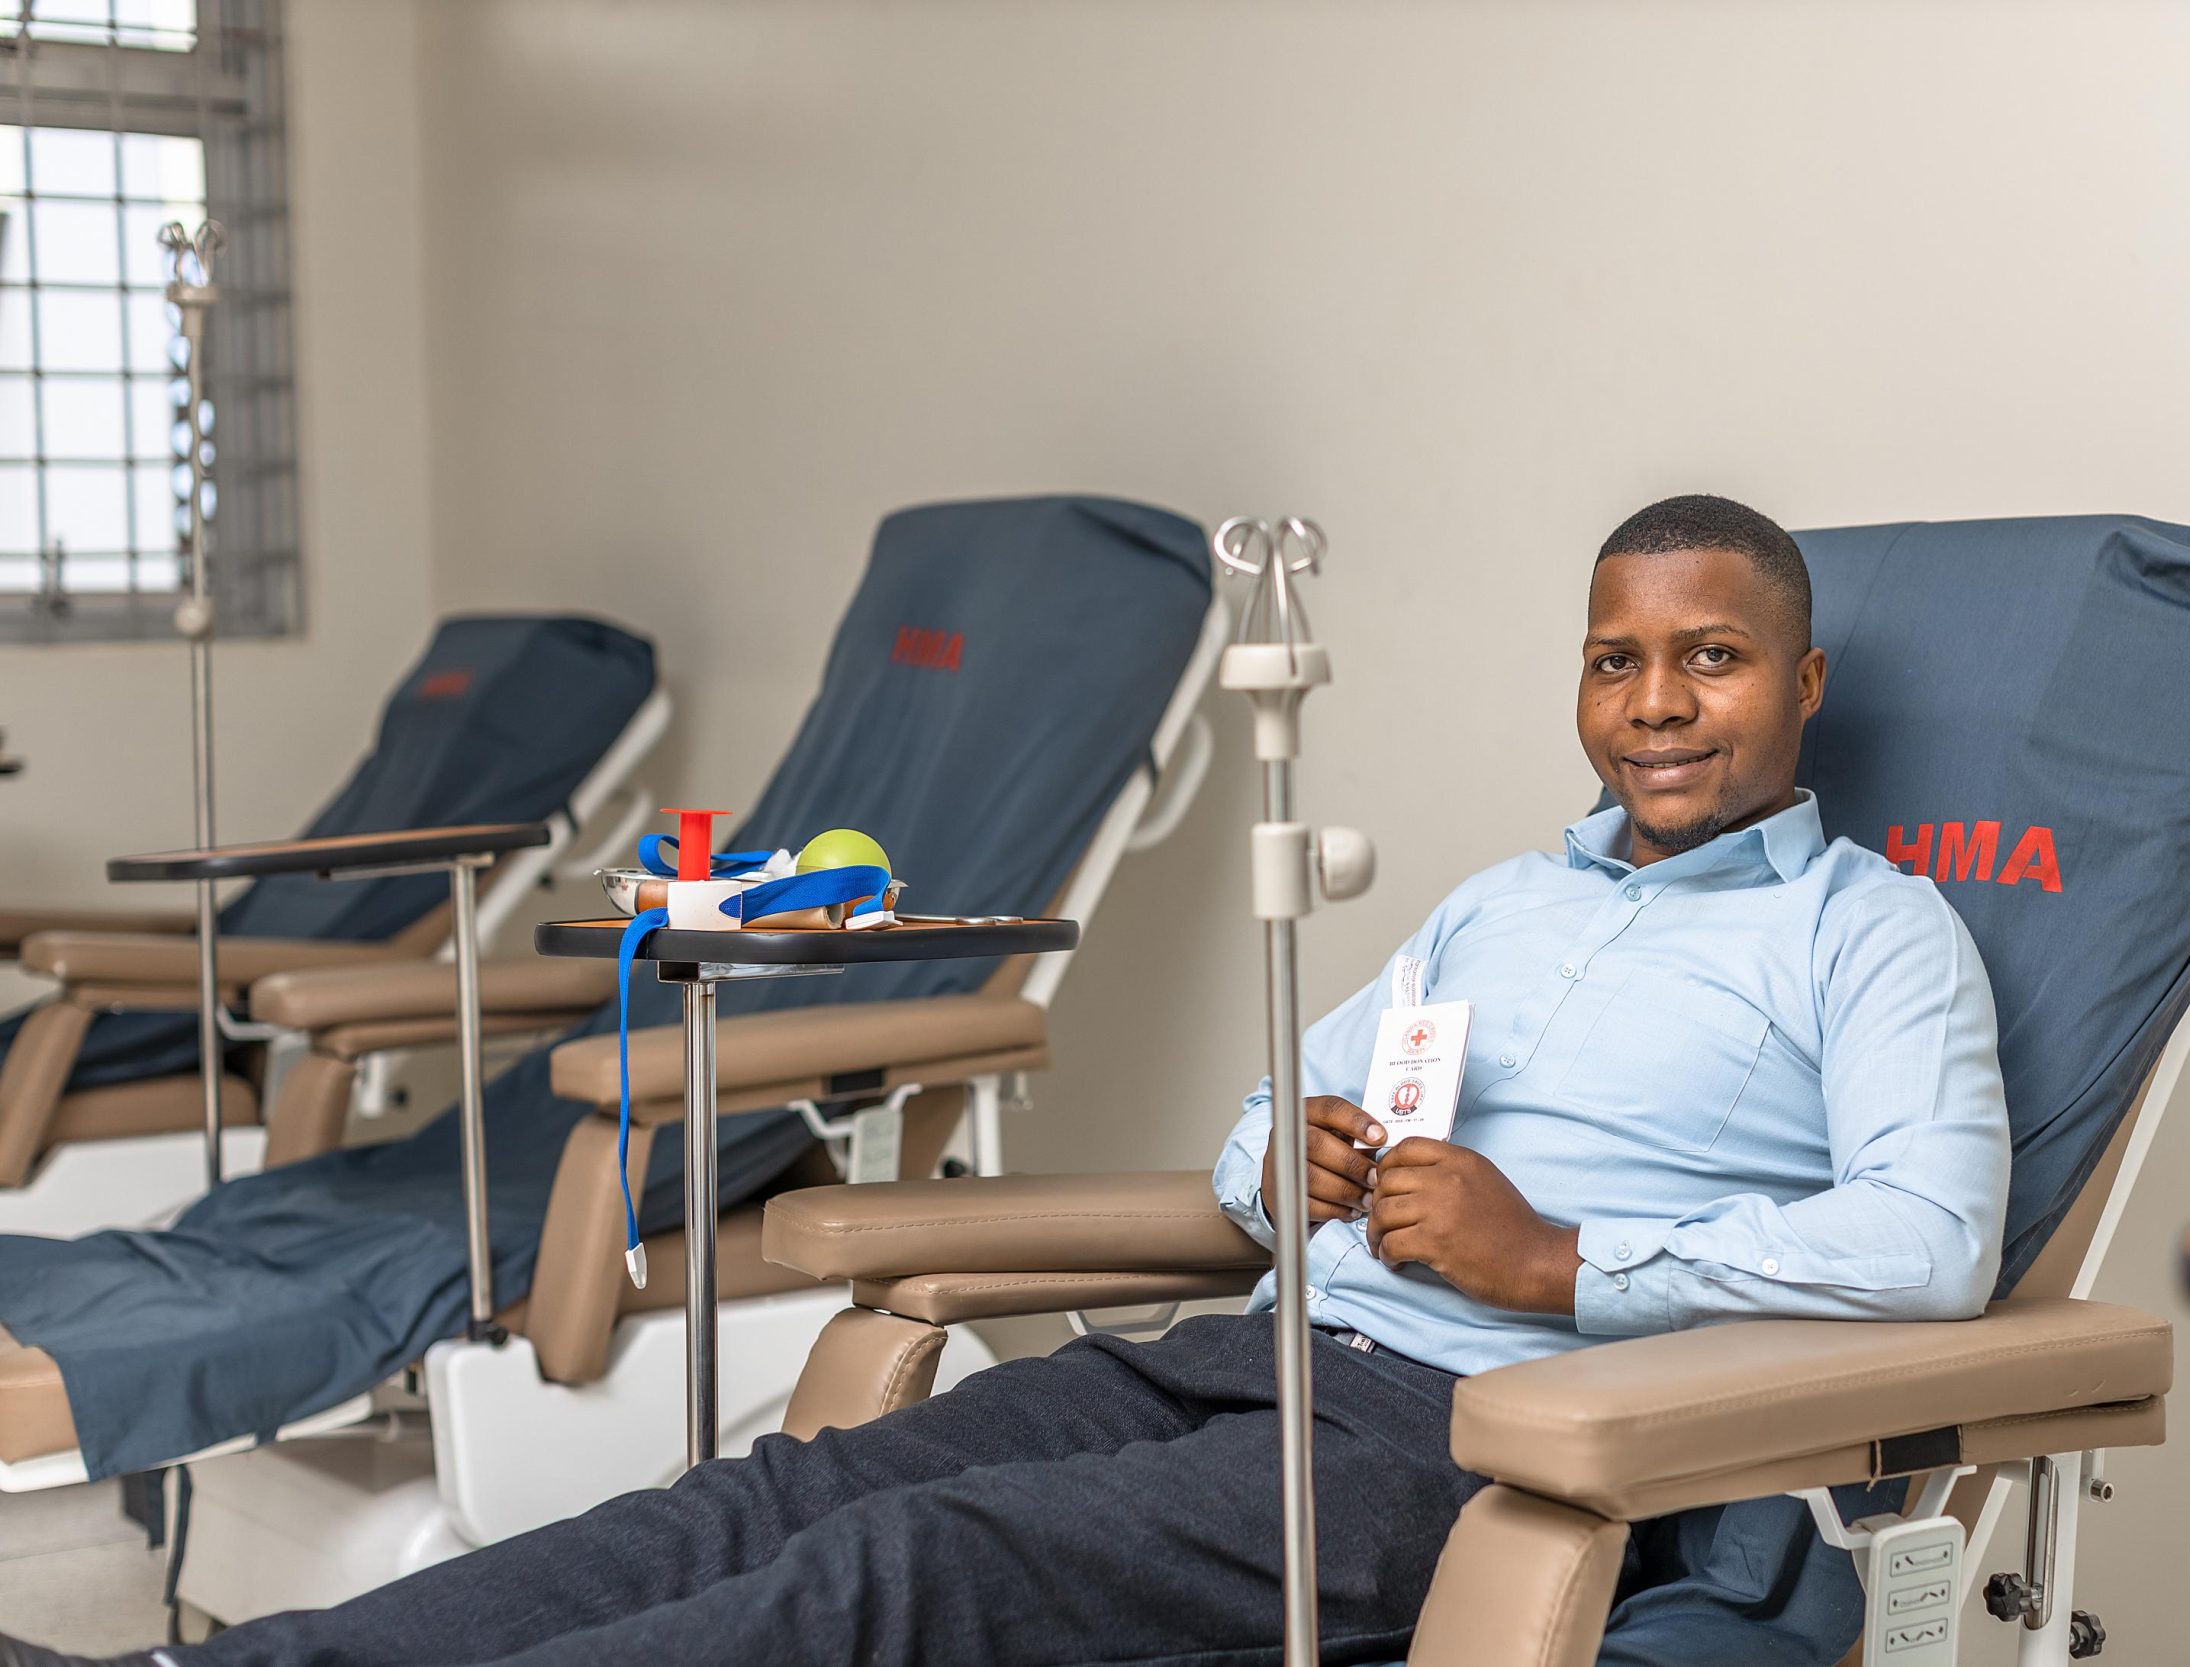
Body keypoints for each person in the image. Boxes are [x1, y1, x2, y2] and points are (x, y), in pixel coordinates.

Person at [2, 493, 2008, 1667]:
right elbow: (1260, 1122)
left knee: (903, 1575)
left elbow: (1929, 1248)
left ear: (1801, 683)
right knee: (773, 1499)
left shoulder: (1872, 934)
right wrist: (1291, 1164)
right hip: (1256, 1353)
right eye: (1614, 660)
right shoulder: (1500, 905)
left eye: (1710, 657)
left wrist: (1559, 1260)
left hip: (1472, 1439)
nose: (1654, 704)